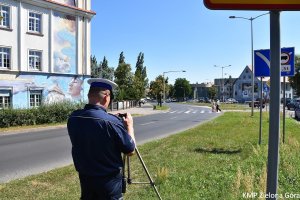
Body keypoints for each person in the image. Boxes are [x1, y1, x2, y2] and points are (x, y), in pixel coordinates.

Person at [67, 78, 136, 200]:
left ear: (89, 95)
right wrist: (129, 126)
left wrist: (109, 119)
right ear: (106, 96)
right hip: (109, 184)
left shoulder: (73, 117)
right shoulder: (112, 122)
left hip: (85, 180)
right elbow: (130, 150)